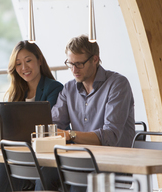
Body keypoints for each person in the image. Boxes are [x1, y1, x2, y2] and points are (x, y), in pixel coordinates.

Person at [35, 35, 135, 192]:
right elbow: (54, 124)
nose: (74, 70)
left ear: (95, 59)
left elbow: (110, 136)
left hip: (112, 164)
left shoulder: (117, 84)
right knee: (43, 176)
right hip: (79, 160)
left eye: (79, 64)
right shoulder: (68, 89)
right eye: (70, 63)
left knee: (77, 182)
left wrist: (70, 135)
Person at [0, 41, 64, 192]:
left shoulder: (54, 88)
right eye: (18, 64)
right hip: (20, 154)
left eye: (28, 61)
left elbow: (51, 125)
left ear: (39, 60)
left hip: (46, 156)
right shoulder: (16, 93)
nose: (24, 68)